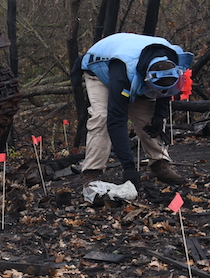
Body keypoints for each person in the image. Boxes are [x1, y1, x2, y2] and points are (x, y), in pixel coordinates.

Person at [80, 32, 192, 187]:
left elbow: (166, 92)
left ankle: (159, 163)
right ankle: (92, 172)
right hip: (100, 69)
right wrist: (129, 168)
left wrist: (159, 115)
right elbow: (117, 120)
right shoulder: (123, 71)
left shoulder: (173, 62)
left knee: (148, 118)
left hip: (136, 68)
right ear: (147, 78)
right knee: (102, 117)